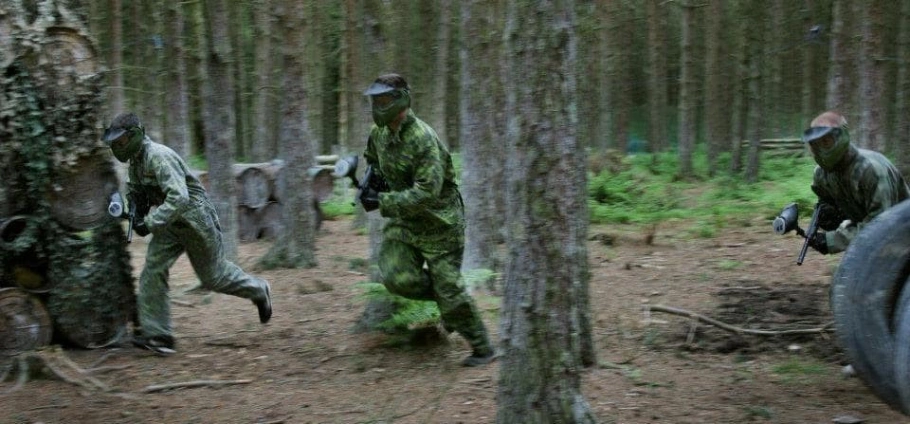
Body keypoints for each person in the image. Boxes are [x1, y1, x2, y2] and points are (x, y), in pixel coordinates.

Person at [102, 112, 272, 355]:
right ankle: (158, 335)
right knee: (153, 269)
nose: (117, 148)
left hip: (195, 221)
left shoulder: (158, 157)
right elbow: (138, 193)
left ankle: (259, 289)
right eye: (114, 144)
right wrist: (134, 214)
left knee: (214, 277)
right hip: (170, 224)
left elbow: (179, 197)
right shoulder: (137, 164)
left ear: (135, 135)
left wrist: (149, 222)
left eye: (120, 142)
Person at [360, 73, 495, 366]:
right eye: (375, 100)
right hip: (405, 223)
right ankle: (449, 301)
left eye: (384, 100)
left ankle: (483, 347)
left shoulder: (423, 139)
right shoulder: (379, 134)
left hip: (440, 224)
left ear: (402, 101)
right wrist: (370, 184)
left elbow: (427, 194)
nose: (378, 106)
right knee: (396, 277)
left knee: (451, 291)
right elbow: (372, 159)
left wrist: (382, 201)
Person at [803, 110, 910, 255]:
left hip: (902, 234)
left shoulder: (871, 170)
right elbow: (827, 202)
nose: (820, 150)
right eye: (815, 145)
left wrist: (834, 240)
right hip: (875, 239)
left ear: (842, 137)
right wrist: (832, 215)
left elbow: (881, 226)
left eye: (826, 142)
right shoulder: (822, 174)